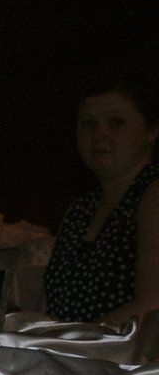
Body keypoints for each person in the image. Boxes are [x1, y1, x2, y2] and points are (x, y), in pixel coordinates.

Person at [42, 74, 159, 326]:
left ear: (151, 131)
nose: (98, 135)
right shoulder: (80, 209)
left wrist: (68, 342)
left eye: (116, 123)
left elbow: (152, 305)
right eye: (88, 124)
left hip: (124, 359)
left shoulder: (152, 195)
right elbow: (52, 304)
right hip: (71, 355)